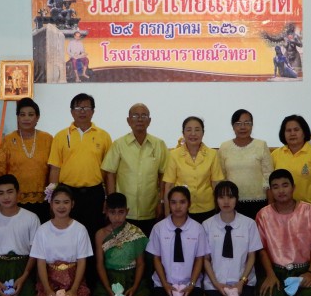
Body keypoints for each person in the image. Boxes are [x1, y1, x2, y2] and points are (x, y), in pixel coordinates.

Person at [255, 169, 311, 296]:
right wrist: (270, 274)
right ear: (270, 191)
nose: (281, 191)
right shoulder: (263, 215)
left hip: (304, 271)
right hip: (276, 272)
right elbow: (261, 249)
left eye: (285, 185)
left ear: (293, 187)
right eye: (275, 187)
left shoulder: (309, 210)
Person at [48, 93, 112, 243]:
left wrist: (109, 198)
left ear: (93, 111)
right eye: (78, 108)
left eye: (86, 108)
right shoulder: (61, 136)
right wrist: (53, 197)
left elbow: (109, 172)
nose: (82, 111)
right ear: (71, 111)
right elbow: (55, 169)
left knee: (93, 233)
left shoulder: (104, 136)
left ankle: (91, 259)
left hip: (94, 194)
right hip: (68, 193)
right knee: (68, 234)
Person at [101, 103, 169, 237]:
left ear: (149, 120)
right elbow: (110, 173)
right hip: (124, 211)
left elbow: (164, 176)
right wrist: (112, 203)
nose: (140, 119)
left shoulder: (159, 144)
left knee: (149, 246)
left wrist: (161, 202)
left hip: (150, 209)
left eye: (144, 116)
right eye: (135, 116)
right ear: (128, 120)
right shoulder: (119, 144)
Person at [31, 185, 92, 296]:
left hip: (73, 280)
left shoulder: (80, 229)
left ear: (72, 204)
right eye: (57, 202)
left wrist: (74, 290)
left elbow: (82, 262)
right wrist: (47, 290)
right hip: (50, 280)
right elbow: (40, 262)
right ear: (51, 204)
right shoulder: (42, 230)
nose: (61, 206)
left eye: (66, 202)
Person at [146, 186, 210, 296]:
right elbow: (156, 258)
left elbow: (199, 259)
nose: (178, 207)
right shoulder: (159, 228)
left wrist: (192, 284)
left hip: (189, 283)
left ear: (189, 204)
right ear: (168, 204)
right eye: (173, 202)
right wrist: (165, 284)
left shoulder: (197, 228)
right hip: (165, 283)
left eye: (182, 202)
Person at [202, 181, 262, 296]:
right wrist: (216, 284)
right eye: (221, 197)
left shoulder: (249, 224)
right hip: (216, 283)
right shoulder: (207, 225)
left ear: (237, 198)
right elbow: (205, 259)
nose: (226, 201)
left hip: (242, 283)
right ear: (216, 199)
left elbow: (252, 256)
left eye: (230, 197)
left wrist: (242, 282)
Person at [91, 193, 151, 296]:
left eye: (121, 212)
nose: (117, 217)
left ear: (127, 211)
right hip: (109, 279)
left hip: (131, 279)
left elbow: (140, 264)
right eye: (112, 212)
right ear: (106, 211)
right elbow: (99, 264)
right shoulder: (100, 234)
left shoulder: (135, 232)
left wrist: (134, 287)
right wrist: (108, 289)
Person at [0, 97, 53, 224]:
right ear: (18, 118)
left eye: (31, 115)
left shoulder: (47, 139)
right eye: (22, 115)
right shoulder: (9, 140)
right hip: (14, 201)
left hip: (43, 201)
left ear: (37, 117)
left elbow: (54, 168)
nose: (26, 118)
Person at [163, 116, 224, 223]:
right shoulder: (174, 155)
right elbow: (169, 186)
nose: (193, 134)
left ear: (203, 133)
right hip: (181, 209)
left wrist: (219, 210)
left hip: (207, 209)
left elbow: (216, 184)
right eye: (189, 130)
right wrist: (167, 214)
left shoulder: (212, 154)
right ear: (183, 133)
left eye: (197, 130)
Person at [271, 115, 311, 219]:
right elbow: (270, 185)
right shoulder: (275, 155)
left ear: (304, 132)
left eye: (296, 130)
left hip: (310, 211)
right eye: (288, 130)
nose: (292, 133)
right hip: (282, 211)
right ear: (283, 134)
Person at [218, 109, 273, 220]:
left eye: (247, 123)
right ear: (233, 126)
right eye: (238, 123)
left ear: (252, 125)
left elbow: (268, 177)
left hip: (259, 201)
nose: (243, 127)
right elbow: (221, 177)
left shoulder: (261, 145)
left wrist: (271, 205)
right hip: (232, 202)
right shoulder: (224, 147)